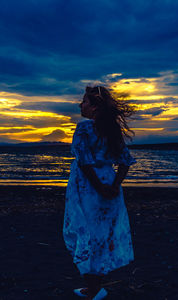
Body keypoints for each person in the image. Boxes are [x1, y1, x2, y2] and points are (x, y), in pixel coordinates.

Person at [63, 85, 137, 299]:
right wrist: (114, 186)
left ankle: (93, 289)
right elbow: (125, 162)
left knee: (82, 231)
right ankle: (95, 287)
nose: (80, 104)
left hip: (87, 186)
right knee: (101, 235)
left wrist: (100, 188)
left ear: (95, 107)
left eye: (85, 101)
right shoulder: (111, 130)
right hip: (108, 181)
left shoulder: (84, 128)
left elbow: (85, 162)